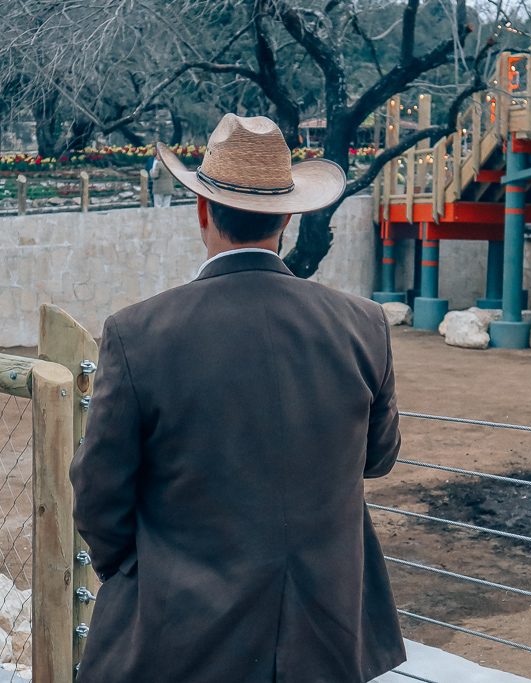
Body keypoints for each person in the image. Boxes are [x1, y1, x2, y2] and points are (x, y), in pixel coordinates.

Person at [70, 113, 405, 683]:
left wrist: (141, 573)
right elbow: (378, 457)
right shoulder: (362, 324)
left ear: (203, 211)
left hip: (179, 634)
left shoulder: (137, 334)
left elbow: (99, 497)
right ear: (288, 217)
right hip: (324, 635)